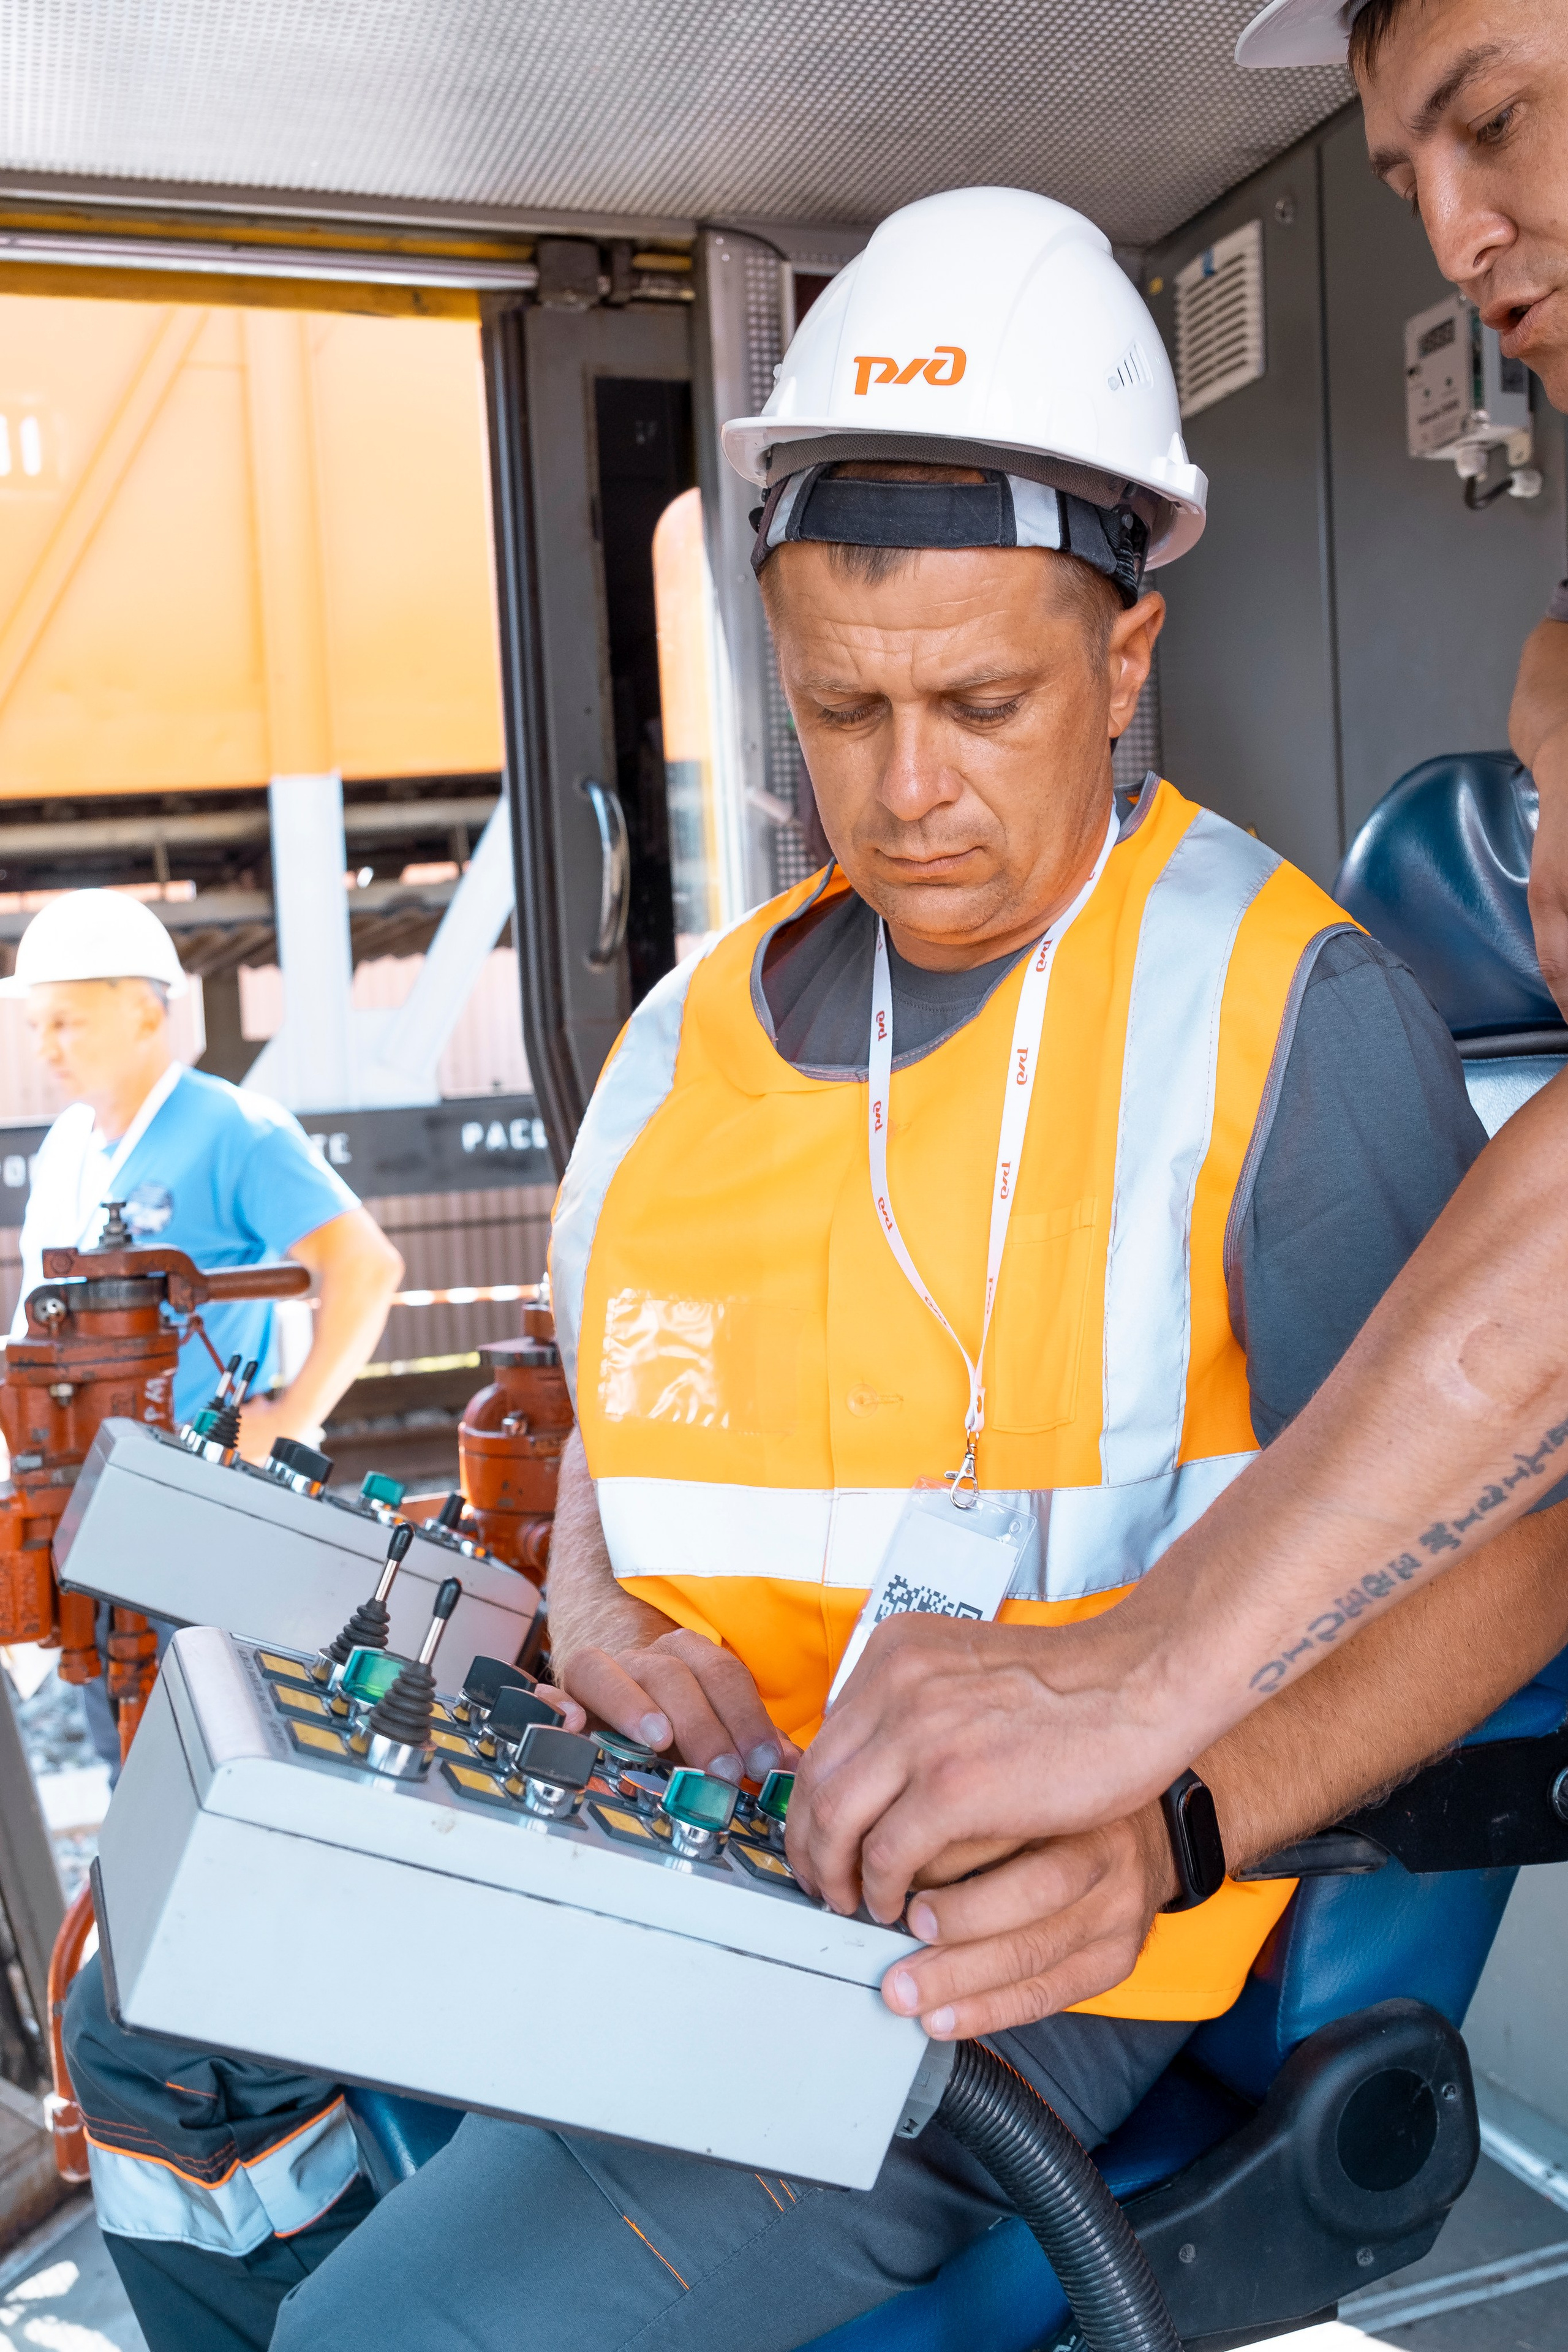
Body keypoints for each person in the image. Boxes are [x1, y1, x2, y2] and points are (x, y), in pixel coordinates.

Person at [247, 184, 1568, 2352]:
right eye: (844, 711)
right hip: (684, 1842)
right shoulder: (683, 1034)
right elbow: (599, 1410)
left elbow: (1500, 1552)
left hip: (1019, 1956)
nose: (910, 794)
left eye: (981, 701)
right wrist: (595, 1608)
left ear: (1127, 657)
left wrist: (1168, 1816)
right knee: (170, 2032)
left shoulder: (1273, 1010)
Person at [787, 0, 1568, 2032]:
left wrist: (1145, 1684)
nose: (1466, 237)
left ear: (1126, 662)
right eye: (1409, 180)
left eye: (1501, 120)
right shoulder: (730, 1020)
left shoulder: (1283, 993)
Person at [6, 888, 404, 1760]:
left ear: (144, 1009)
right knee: (117, 1725)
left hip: (195, 1501)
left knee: (193, 1737)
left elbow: (366, 1267)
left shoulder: (235, 1130)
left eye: (66, 1022)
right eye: (37, 1026)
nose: (46, 1047)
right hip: (87, 1500)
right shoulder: (68, 1148)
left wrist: (291, 1418)